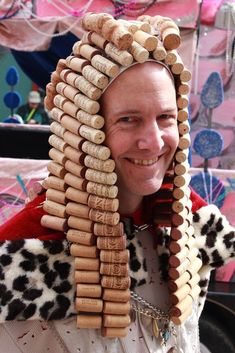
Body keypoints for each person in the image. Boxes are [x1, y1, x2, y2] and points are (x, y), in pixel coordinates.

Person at [0, 13, 234, 353]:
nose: (153, 142)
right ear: (84, 132)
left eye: (165, 117)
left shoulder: (188, 231)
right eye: (129, 120)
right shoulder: (24, 263)